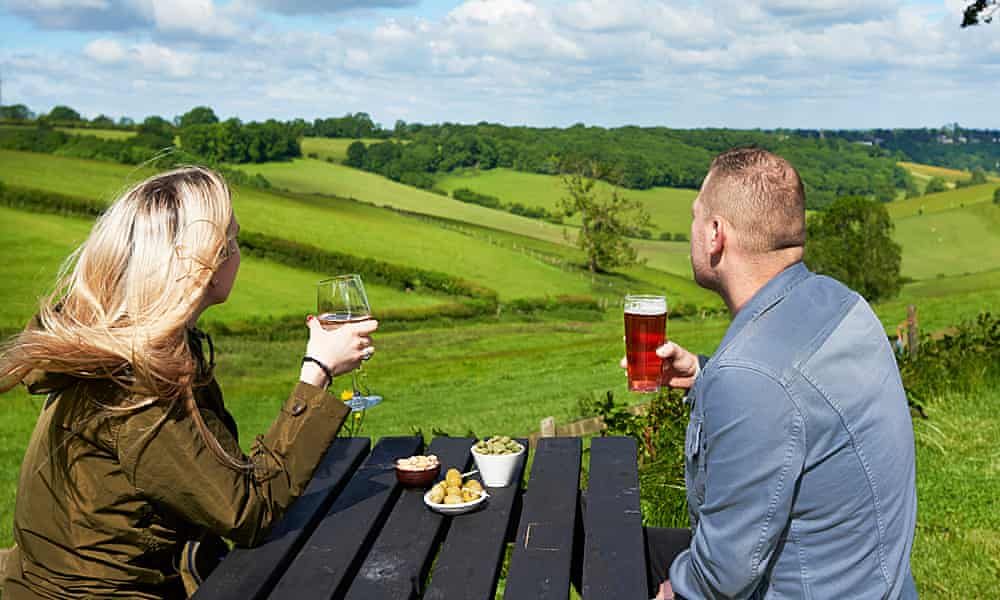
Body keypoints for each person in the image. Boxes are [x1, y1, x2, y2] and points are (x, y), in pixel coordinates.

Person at [0, 167, 377, 599]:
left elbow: (220, 477)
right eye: (232, 240)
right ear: (205, 264)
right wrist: (318, 370)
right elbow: (247, 511)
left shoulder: (125, 346)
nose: (238, 253)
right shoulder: (135, 385)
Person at [635, 148, 918, 599]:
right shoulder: (843, 303)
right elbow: (799, 401)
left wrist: (672, 591)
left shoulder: (751, 377)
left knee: (604, 554)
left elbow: (721, 578)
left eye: (695, 216)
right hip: (877, 582)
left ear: (715, 234)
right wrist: (705, 374)